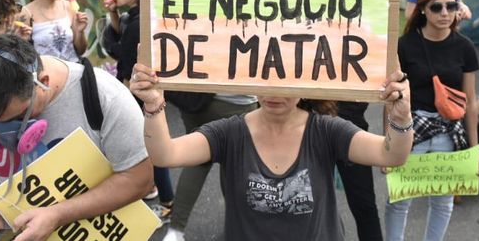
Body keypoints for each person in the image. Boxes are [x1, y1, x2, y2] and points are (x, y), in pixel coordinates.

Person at [129, 62, 413, 241]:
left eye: (285, 83)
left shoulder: (327, 131)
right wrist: (153, 106)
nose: (274, 93)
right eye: (265, 81)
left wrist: (401, 118)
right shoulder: (229, 133)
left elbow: (391, 154)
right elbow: (166, 155)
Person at [0, 35, 152, 241]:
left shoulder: (107, 97)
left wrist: (58, 215)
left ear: (43, 83)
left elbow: (139, 179)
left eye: (19, 117)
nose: (7, 130)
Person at [386, 0, 479, 241]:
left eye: (451, 6)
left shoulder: (464, 46)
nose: (445, 13)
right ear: (422, 9)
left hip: (448, 132)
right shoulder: (404, 45)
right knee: (399, 200)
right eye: (436, 7)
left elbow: (471, 101)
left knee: (443, 202)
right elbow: (392, 98)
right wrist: (388, 142)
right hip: (411, 130)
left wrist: (474, 151)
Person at [101, 0, 174, 222]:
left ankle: (167, 202)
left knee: (150, 148)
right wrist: (112, 14)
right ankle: (156, 191)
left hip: (136, 95)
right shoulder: (137, 17)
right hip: (138, 92)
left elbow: (120, 53)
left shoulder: (137, 22)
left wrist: (108, 39)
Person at [19, 0, 88, 63]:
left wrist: (80, 32)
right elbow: (22, 57)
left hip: (74, 71)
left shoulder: (68, 6)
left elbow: (81, 50)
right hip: (45, 75)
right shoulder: (26, 13)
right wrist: (21, 41)